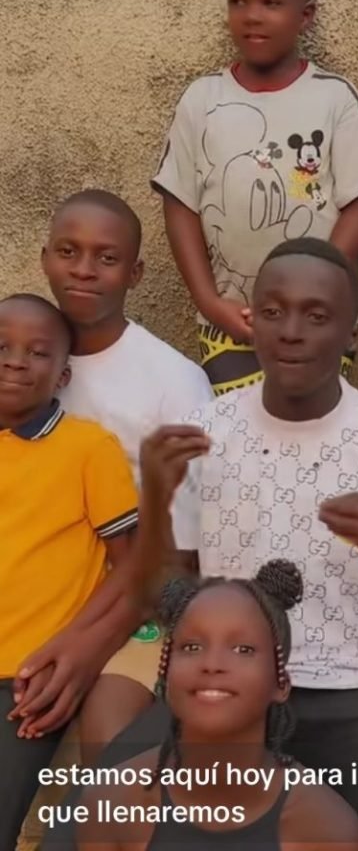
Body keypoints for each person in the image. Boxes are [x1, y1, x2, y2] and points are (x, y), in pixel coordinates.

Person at [78, 237, 358, 851]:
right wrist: (153, 494)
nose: (292, 331)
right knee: (78, 822)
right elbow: (163, 599)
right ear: (251, 321)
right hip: (221, 690)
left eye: (317, 315)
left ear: (351, 330)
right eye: (275, 310)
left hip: (354, 696)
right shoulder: (204, 434)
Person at [152, 0, 358, 396]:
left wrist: (320, 286)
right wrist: (208, 300)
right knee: (243, 447)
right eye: (238, 1)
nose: (252, 15)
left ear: (306, 15)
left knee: (312, 440)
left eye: (271, 2)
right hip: (231, 320)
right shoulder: (202, 100)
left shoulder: (335, 98)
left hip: (319, 318)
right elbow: (180, 204)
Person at [36, 188, 214, 755]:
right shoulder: (22, 363)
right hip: (35, 590)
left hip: (134, 602)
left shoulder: (172, 381)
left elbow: (179, 545)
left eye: (106, 258)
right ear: (44, 258)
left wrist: (91, 644)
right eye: (68, 251)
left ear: (135, 273)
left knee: (106, 737)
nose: (83, 270)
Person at [76, 556, 358, 851]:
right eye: (192, 647)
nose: (212, 664)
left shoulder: (324, 829)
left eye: (243, 649)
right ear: (164, 675)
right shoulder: (111, 804)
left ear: (280, 684)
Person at [0, 293, 140, 850]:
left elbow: (132, 570)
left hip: (28, 680)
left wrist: (79, 648)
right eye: (2, 347)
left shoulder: (87, 448)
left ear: (61, 376)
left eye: (36, 353)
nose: (15, 361)